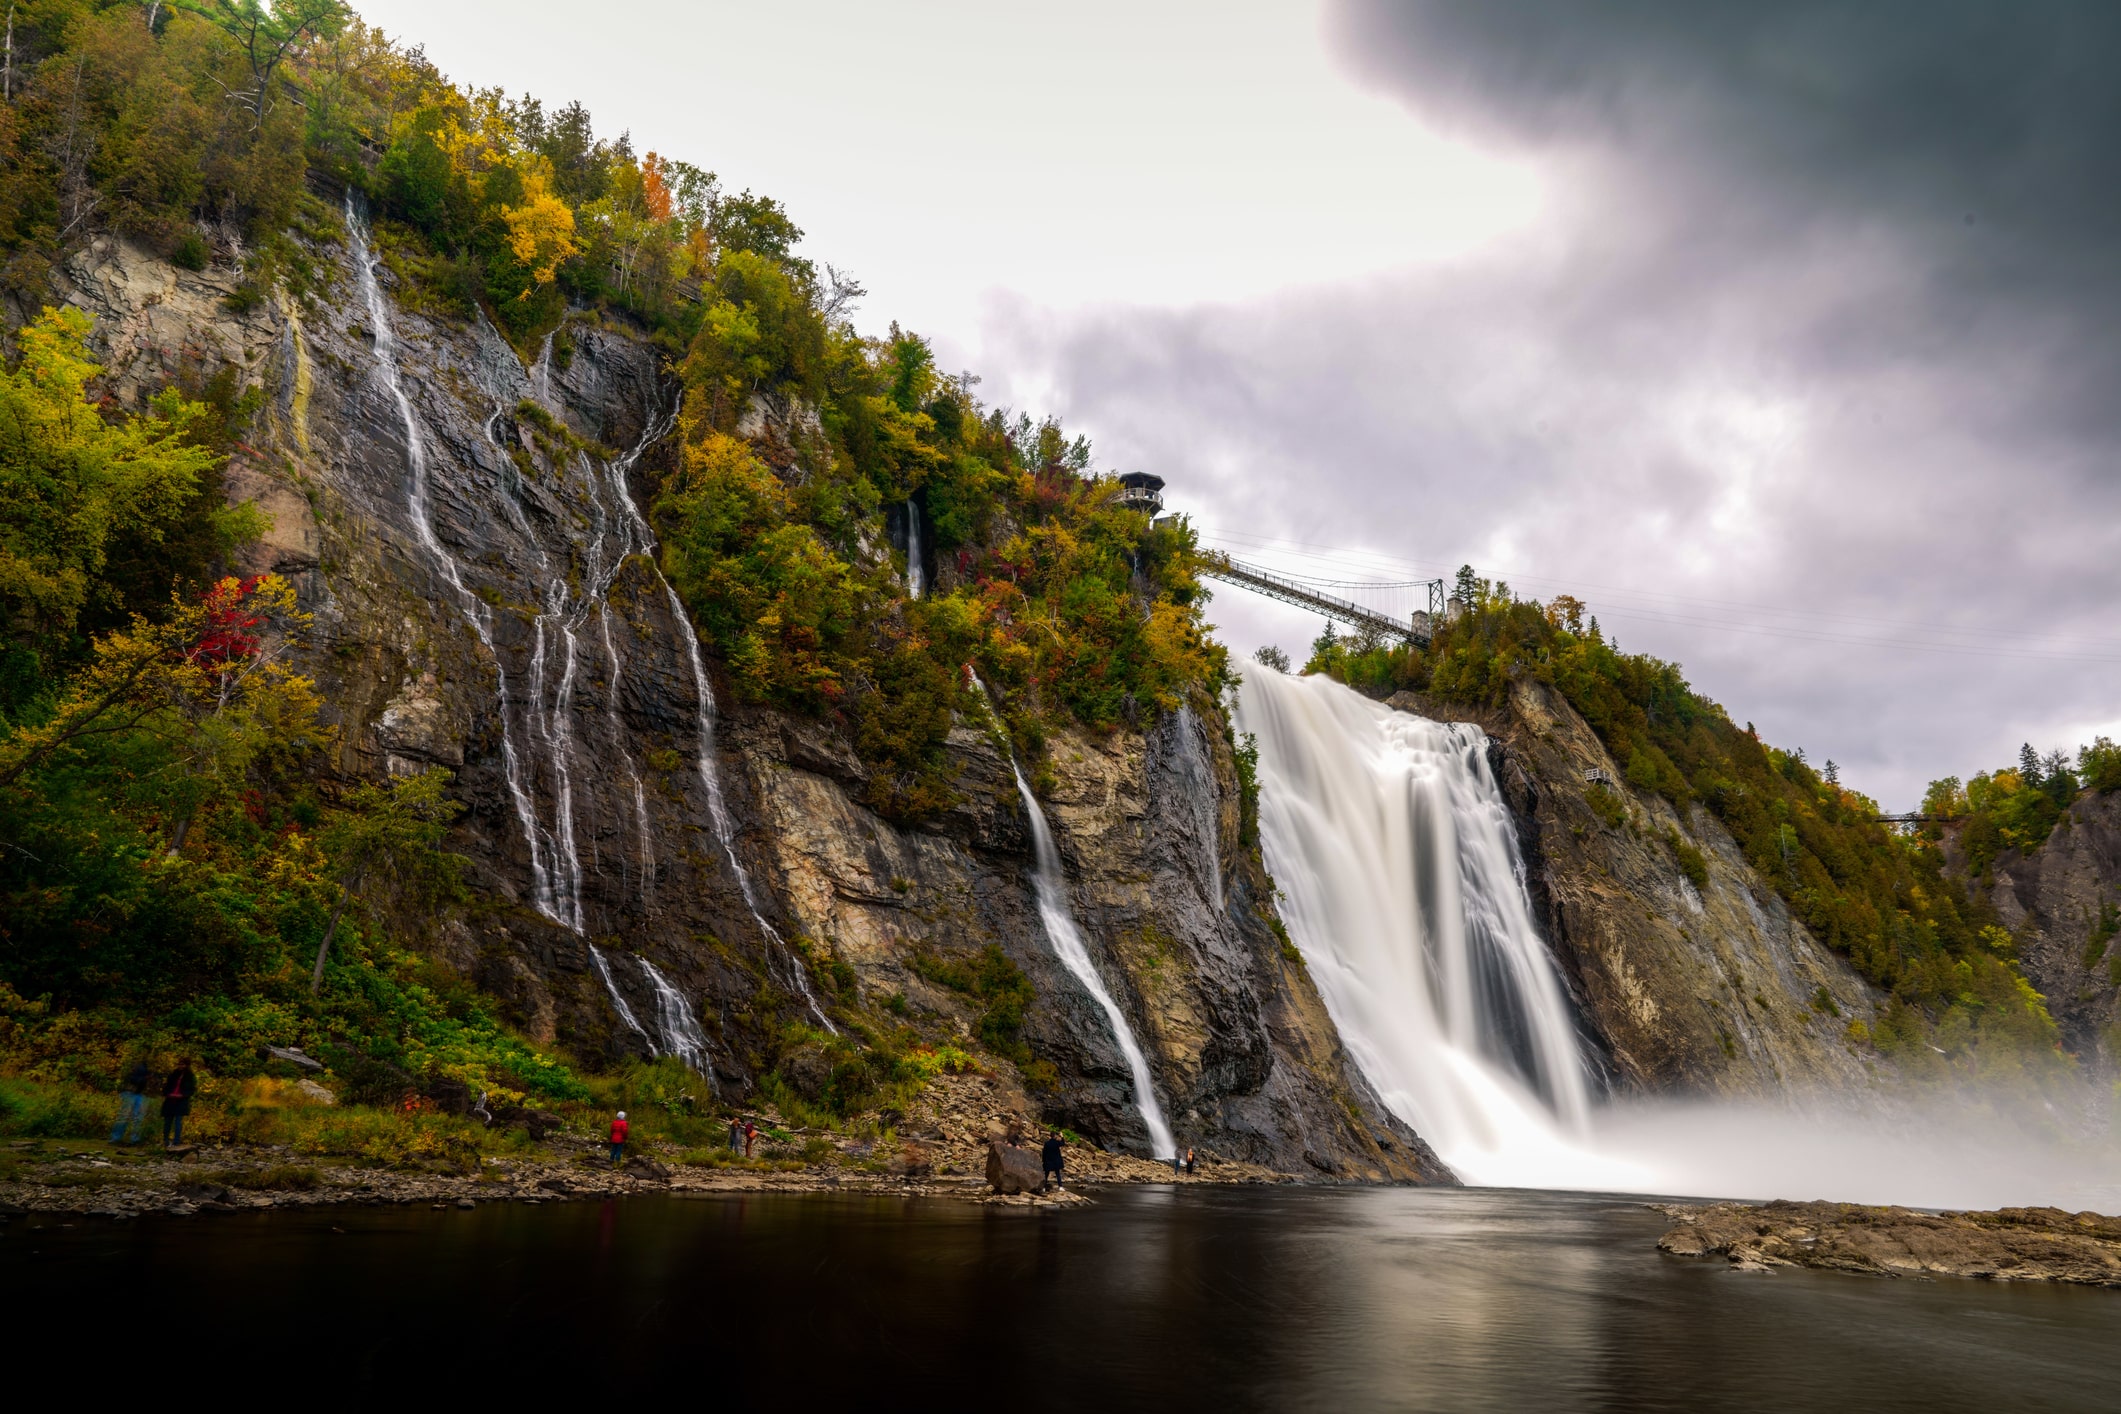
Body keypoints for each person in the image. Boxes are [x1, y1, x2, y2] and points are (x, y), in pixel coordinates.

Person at [110, 1058, 152, 1145]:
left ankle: (132, 1138)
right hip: (130, 1093)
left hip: (138, 1093)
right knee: (126, 1116)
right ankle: (117, 1138)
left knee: (136, 1118)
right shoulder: (137, 1068)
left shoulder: (144, 1066)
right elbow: (133, 1080)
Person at [160, 1057, 197, 1148]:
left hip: (181, 1101)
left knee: (178, 1121)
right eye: (179, 1064)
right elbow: (167, 1085)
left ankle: (177, 1141)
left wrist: (183, 1095)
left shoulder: (190, 1076)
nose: (180, 1066)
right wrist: (167, 1093)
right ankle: (165, 1139)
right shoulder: (173, 1074)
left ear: (186, 1065)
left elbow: (191, 1089)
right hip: (170, 1099)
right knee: (168, 1121)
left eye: (182, 1064)